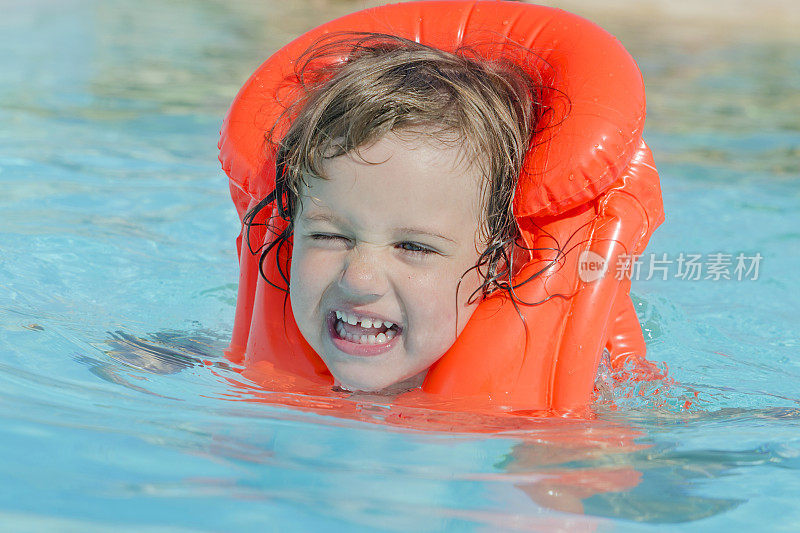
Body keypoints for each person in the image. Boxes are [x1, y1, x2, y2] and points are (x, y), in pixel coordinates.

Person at [242, 33, 547, 394]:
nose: (359, 279)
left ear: (498, 265)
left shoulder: (572, 425)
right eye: (329, 236)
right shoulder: (201, 367)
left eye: (413, 246)